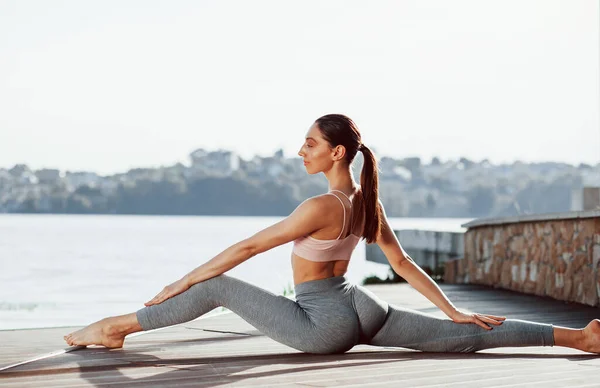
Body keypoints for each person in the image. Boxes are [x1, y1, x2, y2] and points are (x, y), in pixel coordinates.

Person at [65, 114, 600, 354]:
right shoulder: (367, 200)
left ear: (336, 152)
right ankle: (580, 337)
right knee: (456, 337)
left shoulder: (320, 205)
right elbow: (405, 263)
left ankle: (115, 328)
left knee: (214, 287)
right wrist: (452, 312)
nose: (302, 151)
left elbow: (248, 248)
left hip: (321, 325)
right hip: (360, 308)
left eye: (310, 143)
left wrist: (177, 284)